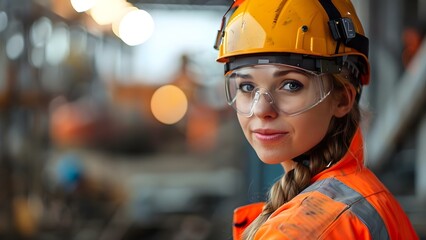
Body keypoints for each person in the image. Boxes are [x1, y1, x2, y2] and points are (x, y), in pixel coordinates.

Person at [214, 0, 419, 239]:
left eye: (291, 85)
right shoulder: (366, 196)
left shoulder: (299, 231)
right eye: (247, 86)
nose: (261, 109)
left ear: (342, 100)